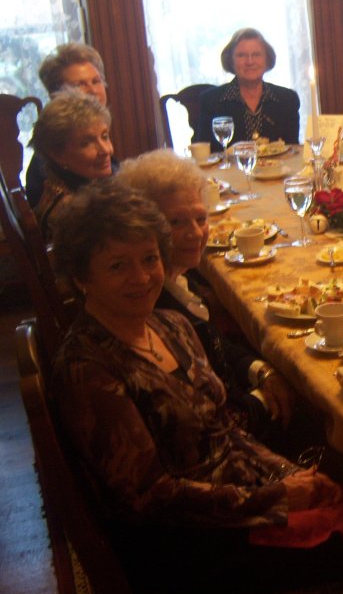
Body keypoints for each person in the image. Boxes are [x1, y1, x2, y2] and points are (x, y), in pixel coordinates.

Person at [47, 181, 343, 594]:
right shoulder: (88, 368)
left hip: (243, 495)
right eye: (117, 266)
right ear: (80, 277)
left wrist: (288, 475)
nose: (142, 277)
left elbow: (228, 431)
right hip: (193, 547)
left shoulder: (170, 325)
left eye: (150, 259)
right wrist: (276, 498)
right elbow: (152, 498)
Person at [116, 149, 293, 442]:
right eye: (176, 223)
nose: (195, 233)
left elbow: (214, 341)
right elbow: (211, 424)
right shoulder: (151, 304)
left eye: (200, 217)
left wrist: (261, 370)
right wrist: (265, 397)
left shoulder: (179, 279)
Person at [28, 42, 112, 207]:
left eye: (96, 81)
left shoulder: (98, 137)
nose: (93, 91)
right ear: (55, 94)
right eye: (79, 85)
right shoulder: (47, 160)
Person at [28, 90, 114, 238]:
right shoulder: (73, 211)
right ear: (57, 154)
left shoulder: (73, 186)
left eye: (104, 136)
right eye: (86, 143)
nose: (106, 150)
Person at [197, 28, 300, 150]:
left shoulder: (287, 99)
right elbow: (205, 155)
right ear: (231, 61)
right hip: (229, 169)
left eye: (256, 55)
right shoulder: (211, 101)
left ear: (267, 59)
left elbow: (293, 151)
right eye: (241, 55)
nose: (250, 62)